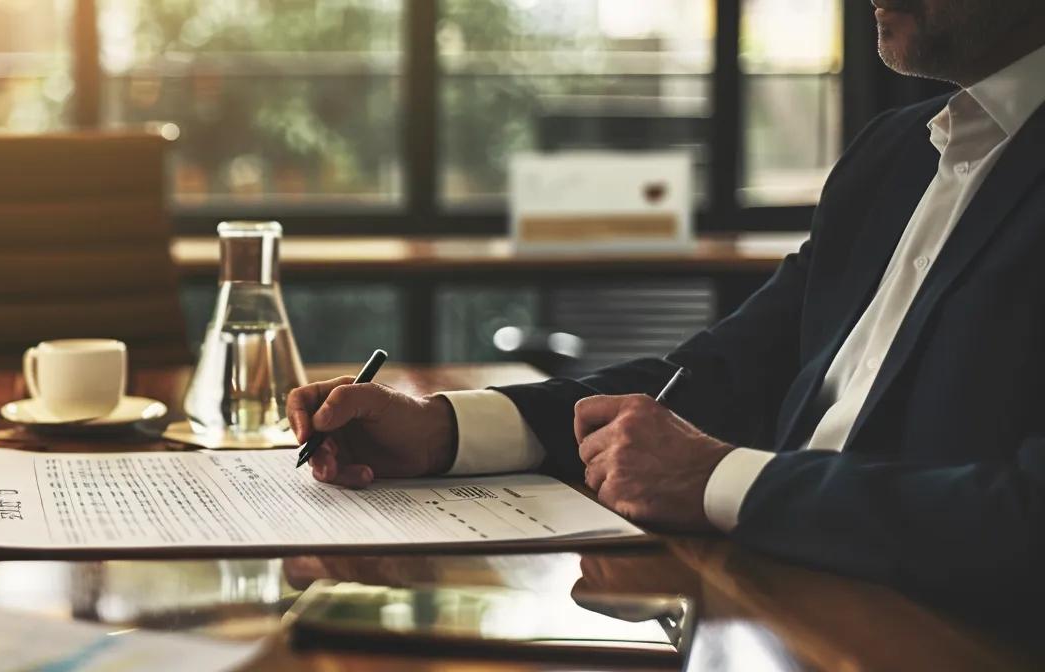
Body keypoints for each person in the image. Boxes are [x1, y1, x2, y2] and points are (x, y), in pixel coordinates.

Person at [288, 0, 1045, 613]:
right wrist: (444, 429)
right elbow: (715, 376)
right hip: (761, 591)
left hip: (923, 632)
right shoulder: (894, 154)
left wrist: (715, 480)